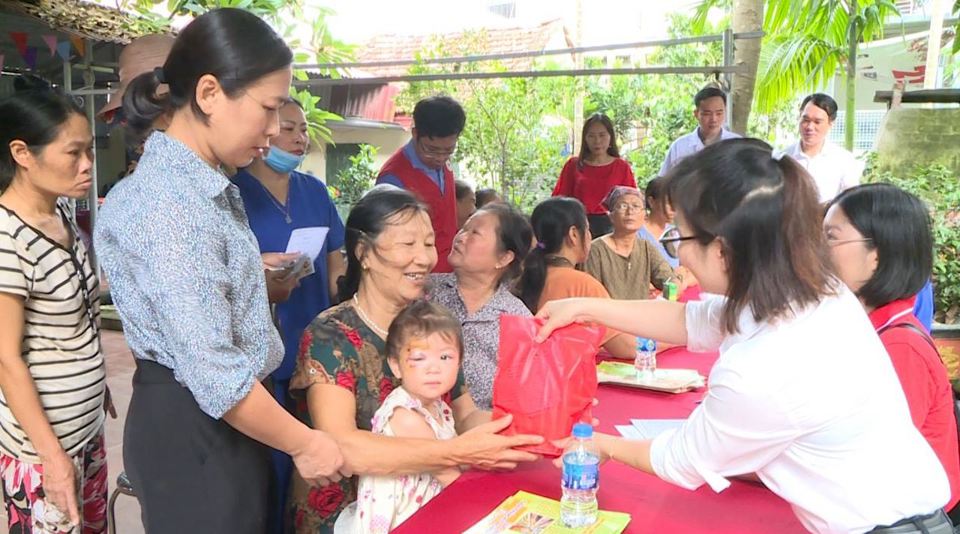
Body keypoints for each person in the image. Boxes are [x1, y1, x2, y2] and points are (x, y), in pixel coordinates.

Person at [536, 138, 951, 534]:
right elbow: (692, 320)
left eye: (679, 235)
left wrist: (602, 445)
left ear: (723, 250)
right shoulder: (806, 290)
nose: (676, 252)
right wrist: (584, 306)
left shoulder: (763, 367)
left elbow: (683, 459)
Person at [93, 10, 345, 532]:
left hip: (223, 421)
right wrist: (308, 443)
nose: (274, 130)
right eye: (268, 108)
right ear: (209, 93)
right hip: (198, 429)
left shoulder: (203, 188)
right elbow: (218, 377)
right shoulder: (170, 204)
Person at [288, 186, 542, 532]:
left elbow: (465, 413)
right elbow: (343, 444)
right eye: (408, 244)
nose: (424, 258)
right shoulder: (329, 334)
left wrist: (531, 427)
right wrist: (457, 453)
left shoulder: (429, 323)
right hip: (349, 516)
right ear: (364, 252)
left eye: (427, 243)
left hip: (422, 503)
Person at [231, 97, 346, 533]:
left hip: (315, 337)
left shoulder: (313, 190)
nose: (299, 138)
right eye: (288, 128)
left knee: (322, 453)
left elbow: (336, 257)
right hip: (264, 344)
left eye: (303, 130)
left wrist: (336, 309)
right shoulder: (233, 192)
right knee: (276, 459)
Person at [0, 76, 109, 534]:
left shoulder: (59, 214)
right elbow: (6, 359)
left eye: (90, 151)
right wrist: (52, 458)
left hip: (86, 431)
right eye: (73, 153)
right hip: (45, 450)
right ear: (23, 154)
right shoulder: (7, 237)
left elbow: (76, 313)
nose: (87, 165)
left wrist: (96, 382)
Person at [824, 183, 960, 517]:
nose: (815, 250)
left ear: (878, 255)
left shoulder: (900, 346)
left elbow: (872, 460)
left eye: (830, 237)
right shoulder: (858, 326)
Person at [335, 300, 464, 533]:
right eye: (418, 358)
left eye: (445, 357)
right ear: (395, 366)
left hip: (431, 500)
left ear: (460, 362)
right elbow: (447, 473)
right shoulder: (406, 416)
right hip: (404, 515)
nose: (433, 368)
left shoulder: (438, 406)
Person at [429, 202, 534, 410]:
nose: (460, 236)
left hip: (485, 430)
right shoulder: (425, 292)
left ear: (504, 258)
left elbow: (528, 393)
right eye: (463, 228)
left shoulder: (519, 321)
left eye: (474, 233)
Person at [515, 197, 634, 359]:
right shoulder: (584, 285)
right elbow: (626, 347)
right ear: (574, 235)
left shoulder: (519, 279)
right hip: (569, 380)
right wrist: (671, 339)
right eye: (587, 229)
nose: (590, 236)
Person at [376, 96, 466, 273]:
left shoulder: (444, 165)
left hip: (451, 271)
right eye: (431, 150)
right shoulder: (393, 179)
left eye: (448, 150)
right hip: (421, 276)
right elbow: (389, 243)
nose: (440, 158)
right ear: (415, 133)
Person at [585, 186, 678, 301]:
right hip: (607, 316)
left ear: (644, 215)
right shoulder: (595, 250)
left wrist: (665, 299)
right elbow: (590, 295)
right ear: (611, 215)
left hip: (640, 316)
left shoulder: (646, 248)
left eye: (636, 206)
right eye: (623, 206)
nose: (630, 212)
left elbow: (670, 280)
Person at [552, 113, 637, 238]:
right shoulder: (573, 165)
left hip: (612, 229)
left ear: (610, 137)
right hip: (578, 228)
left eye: (602, 135)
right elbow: (559, 201)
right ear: (585, 139)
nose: (597, 141)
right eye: (591, 136)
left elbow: (631, 202)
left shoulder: (621, 167)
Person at [782, 93, 863, 204]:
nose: (810, 127)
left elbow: (851, 201)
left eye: (817, 122)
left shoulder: (844, 160)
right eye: (805, 120)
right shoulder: (783, 158)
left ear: (831, 123)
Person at [659, 86, 741, 175]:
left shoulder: (736, 144)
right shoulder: (679, 147)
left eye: (719, 113)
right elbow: (663, 181)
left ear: (725, 112)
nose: (714, 119)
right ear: (696, 114)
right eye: (707, 114)